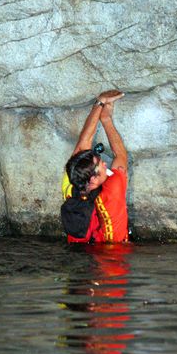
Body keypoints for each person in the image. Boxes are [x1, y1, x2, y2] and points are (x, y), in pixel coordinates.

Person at [61, 90, 129, 243]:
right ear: (92, 180)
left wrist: (100, 102)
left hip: (79, 254)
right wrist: (106, 119)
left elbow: (81, 147)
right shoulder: (113, 188)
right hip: (110, 256)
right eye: (100, 165)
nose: (105, 163)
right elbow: (120, 155)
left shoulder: (70, 185)